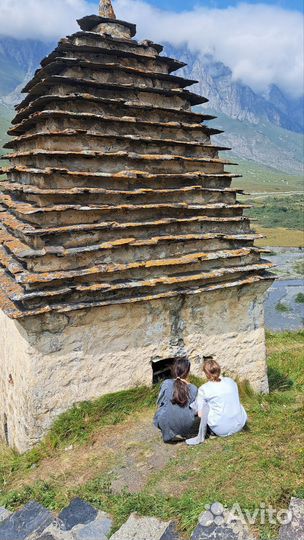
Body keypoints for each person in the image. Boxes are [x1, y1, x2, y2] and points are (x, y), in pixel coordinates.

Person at [186, 359, 247, 446]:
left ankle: (210, 431)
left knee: (205, 405)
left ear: (206, 374)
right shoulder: (231, 381)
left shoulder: (204, 389)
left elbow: (200, 415)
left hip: (221, 429)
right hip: (240, 423)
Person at [154, 357, 198, 443]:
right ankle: (181, 431)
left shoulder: (166, 383)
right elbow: (194, 409)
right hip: (187, 425)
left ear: (174, 370)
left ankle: (169, 431)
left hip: (166, 421)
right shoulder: (193, 388)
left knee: (160, 411)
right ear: (188, 372)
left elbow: (159, 403)